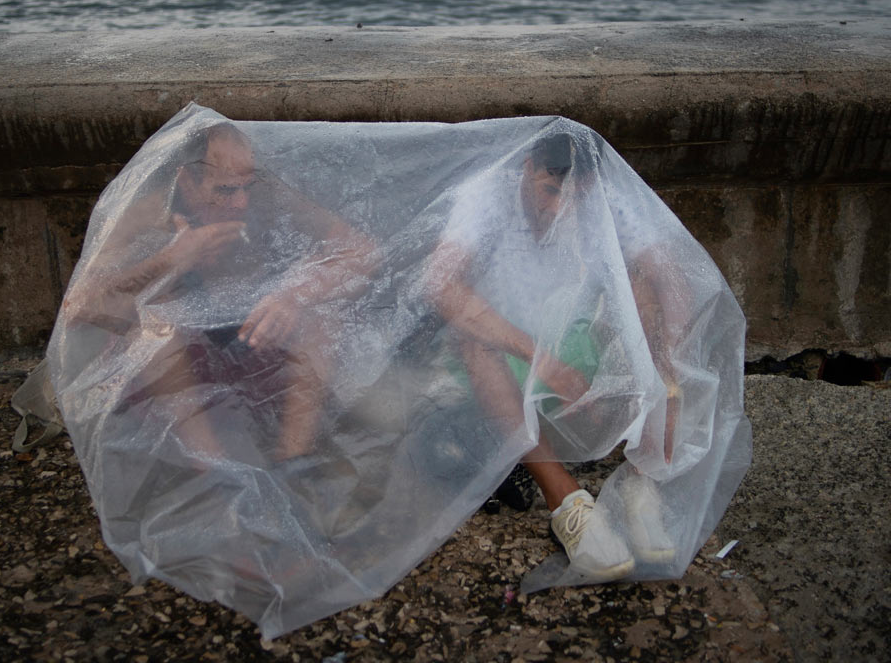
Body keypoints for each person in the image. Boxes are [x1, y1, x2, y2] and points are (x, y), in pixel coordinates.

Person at [424, 130, 689, 581]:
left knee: (644, 289)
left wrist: (666, 364)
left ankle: (642, 486)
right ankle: (566, 502)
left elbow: (670, 275)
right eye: (549, 191)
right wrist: (541, 360)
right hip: (502, 360)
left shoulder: (602, 196)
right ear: (527, 168)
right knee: (471, 335)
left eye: (572, 197)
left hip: (573, 346)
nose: (557, 209)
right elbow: (439, 285)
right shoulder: (486, 194)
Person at [63, 121, 375, 465]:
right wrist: (169, 260)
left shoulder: (266, 197)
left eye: (246, 186)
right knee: (154, 328)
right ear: (187, 181)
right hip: (180, 369)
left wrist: (293, 295)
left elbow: (362, 250)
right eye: (224, 190)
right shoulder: (148, 215)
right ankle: (214, 473)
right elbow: (77, 308)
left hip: (257, 344)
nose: (240, 202)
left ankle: (294, 460)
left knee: (323, 308)